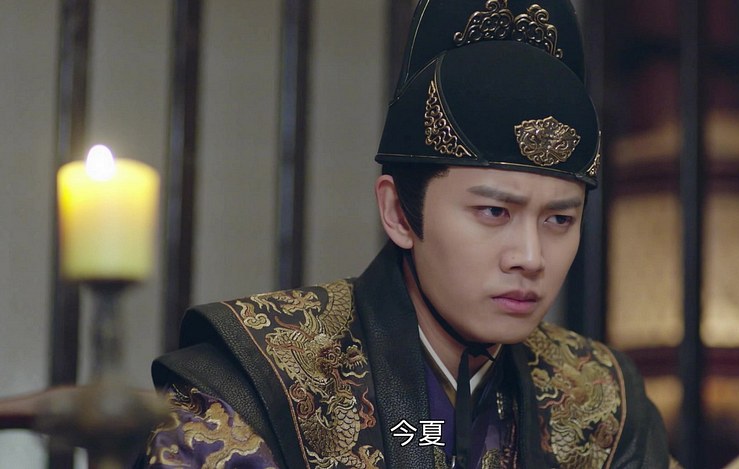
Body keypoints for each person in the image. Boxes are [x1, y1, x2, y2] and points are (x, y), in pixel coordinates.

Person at [138, 0, 677, 467]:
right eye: (494, 212)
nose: (530, 257)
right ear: (398, 212)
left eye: (559, 220)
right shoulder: (259, 380)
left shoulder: (600, 398)